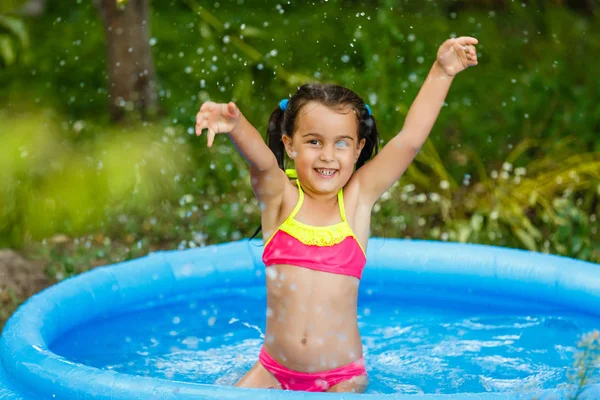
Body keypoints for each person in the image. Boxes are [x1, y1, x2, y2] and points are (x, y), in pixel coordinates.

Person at [195, 36, 479, 393]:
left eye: (341, 143)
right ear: (289, 144)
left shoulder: (357, 201)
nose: (328, 156)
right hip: (272, 372)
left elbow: (409, 141)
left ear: (359, 148)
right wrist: (236, 127)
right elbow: (263, 164)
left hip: (341, 378)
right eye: (314, 142)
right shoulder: (281, 200)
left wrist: (442, 71)